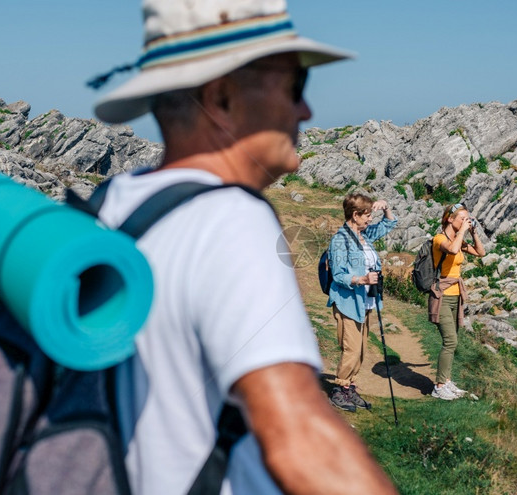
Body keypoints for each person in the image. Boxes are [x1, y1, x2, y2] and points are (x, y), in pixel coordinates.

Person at [90, 1, 397, 493]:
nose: (306, 109)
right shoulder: (230, 218)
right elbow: (298, 434)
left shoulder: (115, 202)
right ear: (221, 97)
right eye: (295, 86)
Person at [326, 193, 397, 411]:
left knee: (363, 348)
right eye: (367, 215)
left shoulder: (364, 235)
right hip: (348, 301)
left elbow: (388, 224)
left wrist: (385, 208)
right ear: (355, 215)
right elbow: (338, 275)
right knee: (352, 349)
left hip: (364, 301)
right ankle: (339, 389)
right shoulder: (340, 240)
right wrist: (362, 279)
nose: (370, 219)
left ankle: (350, 386)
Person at [429, 203, 486, 400]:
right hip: (442, 295)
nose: (465, 221)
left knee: (453, 340)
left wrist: (473, 233)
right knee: (450, 340)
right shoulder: (439, 240)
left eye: (467, 218)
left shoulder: (459, 239)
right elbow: (452, 250)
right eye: (461, 218)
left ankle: (446, 381)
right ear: (449, 219)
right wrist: (462, 231)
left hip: (456, 296)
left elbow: (481, 253)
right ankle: (438, 387)